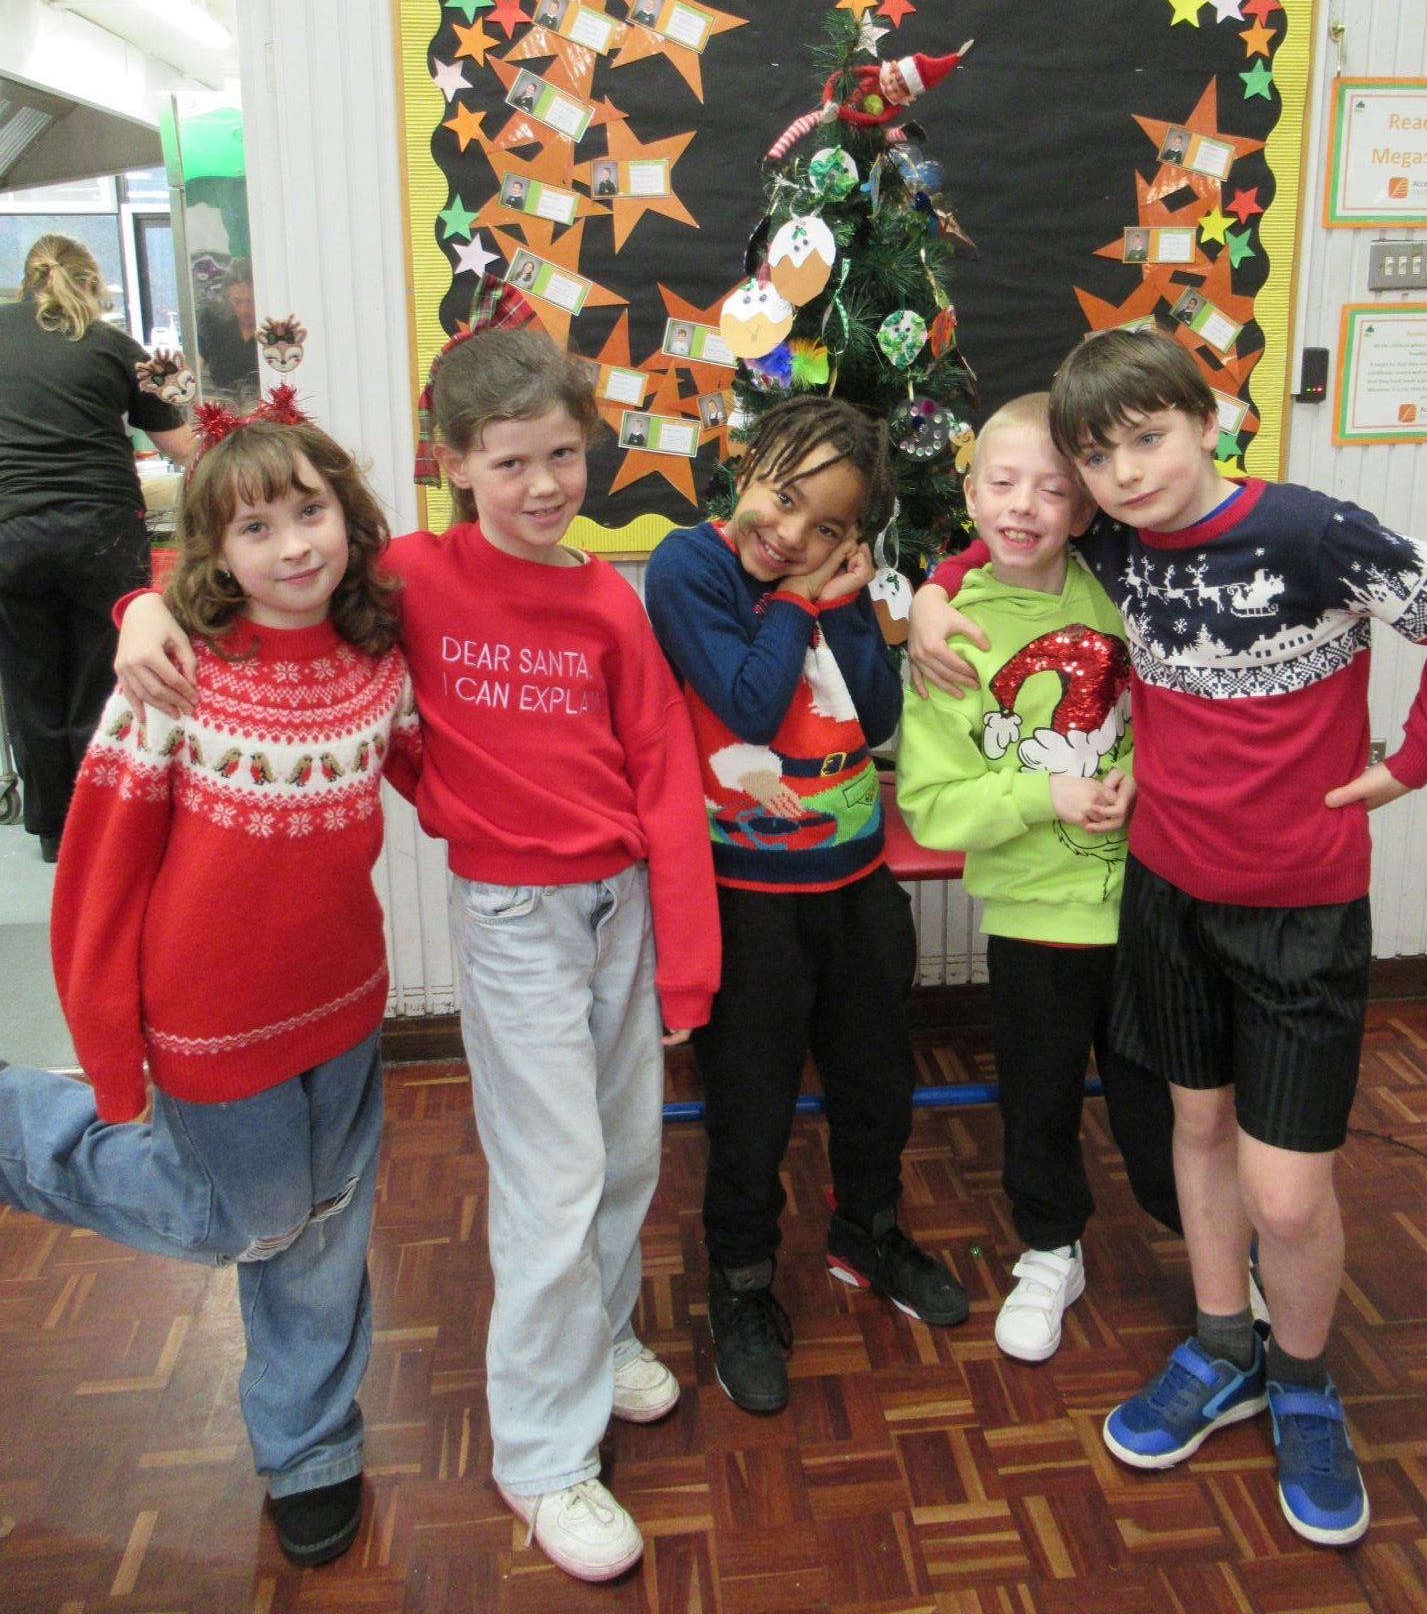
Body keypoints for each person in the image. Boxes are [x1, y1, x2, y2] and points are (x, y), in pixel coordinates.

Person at [117, 324, 720, 1588]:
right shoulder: (405, 582)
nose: (546, 484)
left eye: (565, 453)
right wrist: (132, 609)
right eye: (512, 462)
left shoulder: (610, 595)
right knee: (550, 1184)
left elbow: (663, 773)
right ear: (453, 465)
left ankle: (602, 1337)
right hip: (513, 921)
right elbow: (250, 576)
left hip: (623, 912)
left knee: (621, 1156)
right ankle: (545, 1454)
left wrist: (685, 964)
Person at [907, 329, 1427, 1548]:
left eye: (1147, 439)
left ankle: (1304, 1373)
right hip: (1166, 897)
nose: (1124, 474)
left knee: (1288, 1194)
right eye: (1097, 457)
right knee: (1197, 1129)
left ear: (1206, 417)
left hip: (1301, 910)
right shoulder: (1123, 546)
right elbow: (1015, 528)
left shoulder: (1309, 529)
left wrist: (1414, 761)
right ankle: (1223, 1341)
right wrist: (934, 581)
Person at [0, 403, 421, 1568]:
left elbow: (450, 772)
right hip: (206, 1026)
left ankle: (312, 1449)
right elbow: (98, 868)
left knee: (328, 1240)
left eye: (310, 510)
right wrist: (106, 1050)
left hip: (344, 1005)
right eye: (254, 528)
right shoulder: (176, 677)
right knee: (251, 1219)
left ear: (349, 513)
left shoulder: (380, 655)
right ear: (213, 552)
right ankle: (19, 1123)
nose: (293, 546)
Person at [644, 394, 968, 1419]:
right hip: (749, 900)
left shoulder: (829, 587)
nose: (791, 533)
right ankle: (741, 1284)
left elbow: (874, 714)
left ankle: (866, 1229)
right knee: (749, 1108)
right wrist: (801, 593)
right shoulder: (690, 565)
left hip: (856, 884)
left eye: (827, 525)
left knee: (877, 1081)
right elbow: (743, 701)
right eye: (784, 499)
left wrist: (843, 603)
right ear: (749, 469)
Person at [896, 394, 1179, 1366]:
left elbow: (1169, 717)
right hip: (1037, 921)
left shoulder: (1120, 590)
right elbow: (933, 804)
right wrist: (1041, 791)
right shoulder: (952, 630)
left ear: (1087, 507)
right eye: (1003, 482)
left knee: (1166, 1110)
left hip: (1145, 910)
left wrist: (1138, 773)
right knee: (1040, 1103)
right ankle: (1051, 1247)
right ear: (969, 490)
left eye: (1053, 488)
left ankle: (1229, 1259)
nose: (1024, 506)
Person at [0, 233, 194, 859]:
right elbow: (184, 447)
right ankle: (98, 820)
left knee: (27, 680)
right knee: (103, 676)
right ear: (90, 284)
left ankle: (53, 830)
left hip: (10, 531)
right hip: (101, 530)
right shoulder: (112, 345)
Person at [196, 260, 261, 406]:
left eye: (251, 301)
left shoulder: (270, 331)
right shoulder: (213, 324)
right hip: (223, 409)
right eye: (237, 301)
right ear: (227, 297)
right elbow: (195, 367)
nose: (244, 310)